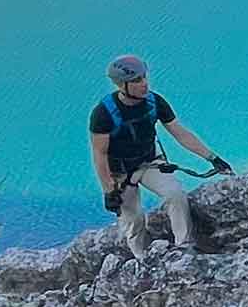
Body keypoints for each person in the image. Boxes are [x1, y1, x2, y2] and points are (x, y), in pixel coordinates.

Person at [89, 54, 232, 257]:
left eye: (144, 77)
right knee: (134, 220)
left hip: (149, 162)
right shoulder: (103, 114)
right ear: (122, 85)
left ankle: (184, 246)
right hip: (119, 172)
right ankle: (142, 257)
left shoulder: (154, 102)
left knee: (175, 194)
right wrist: (108, 191)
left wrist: (212, 158)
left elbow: (179, 133)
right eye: (137, 80)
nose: (144, 83)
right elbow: (100, 154)